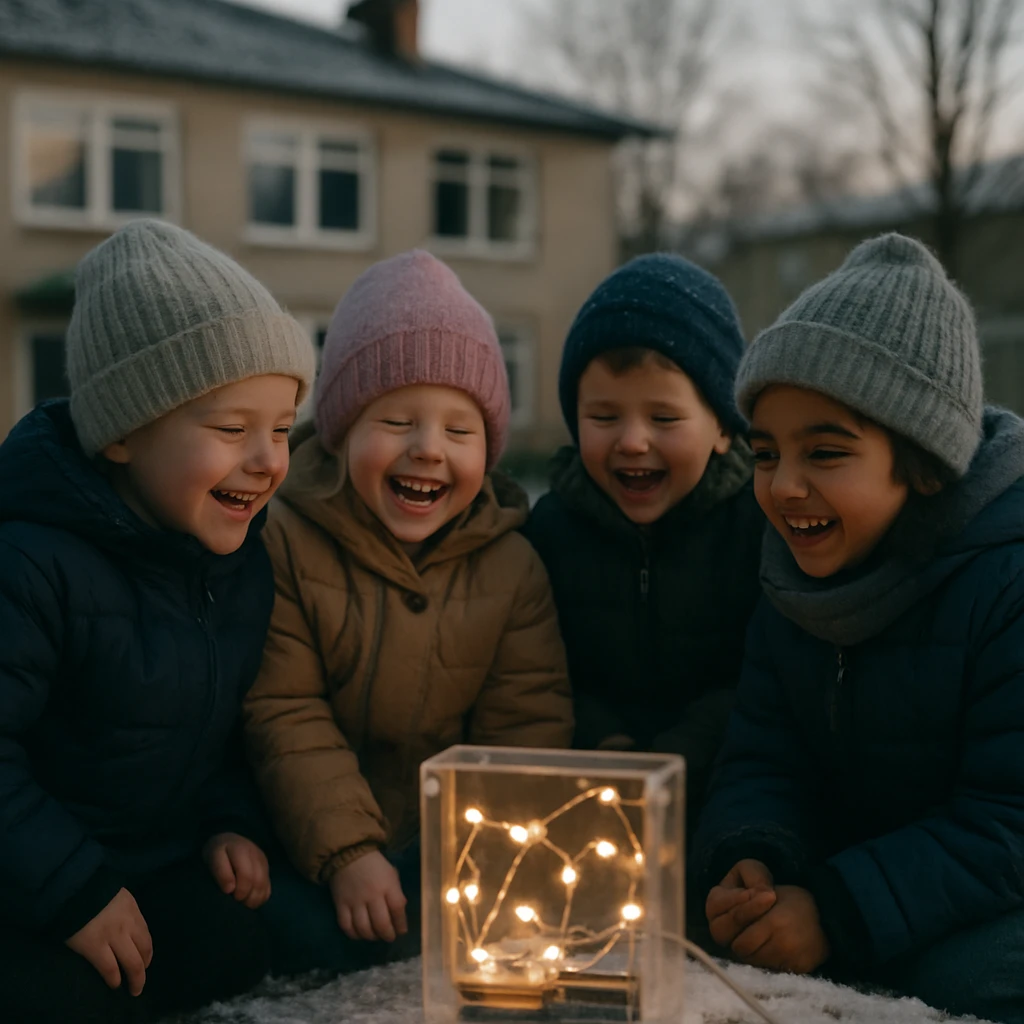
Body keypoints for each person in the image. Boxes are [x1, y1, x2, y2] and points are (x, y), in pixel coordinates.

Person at [693, 233, 1024, 1024]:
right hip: (861, 886)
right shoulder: (790, 579)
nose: (784, 486)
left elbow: (1009, 822)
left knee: (961, 981)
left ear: (923, 464)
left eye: (826, 452)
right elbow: (763, 753)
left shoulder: (1006, 583)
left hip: (989, 897)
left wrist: (838, 911)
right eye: (766, 453)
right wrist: (754, 856)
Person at [0, 220, 316, 1023]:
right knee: (59, 997)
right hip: (29, 875)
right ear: (123, 435)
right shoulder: (30, 562)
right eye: (232, 429)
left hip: (144, 863)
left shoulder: (235, 564)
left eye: (282, 430)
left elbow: (220, 729)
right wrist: (72, 890)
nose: (267, 459)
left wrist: (227, 825)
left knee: (240, 943)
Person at [244, 250, 573, 974]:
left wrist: (493, 860)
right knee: (290, 942)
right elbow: (284, 711)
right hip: (309, 845)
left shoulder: (512, 567)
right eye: (396, 421)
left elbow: (524, 728)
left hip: (451, 855)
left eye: (460, 431)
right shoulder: (285, 541)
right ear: (341, 431)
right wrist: (348, 852)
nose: (427, 449)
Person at [523, 254, 763, 831]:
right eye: (604, 417)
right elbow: (537, 670)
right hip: (590, 798)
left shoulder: (756, 526)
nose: (632, 441)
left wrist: (672, 760)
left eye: (664, 418)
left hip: (727, 795)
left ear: (723, 427)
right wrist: (606, 744)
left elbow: (761, 676)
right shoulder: (552, 528)